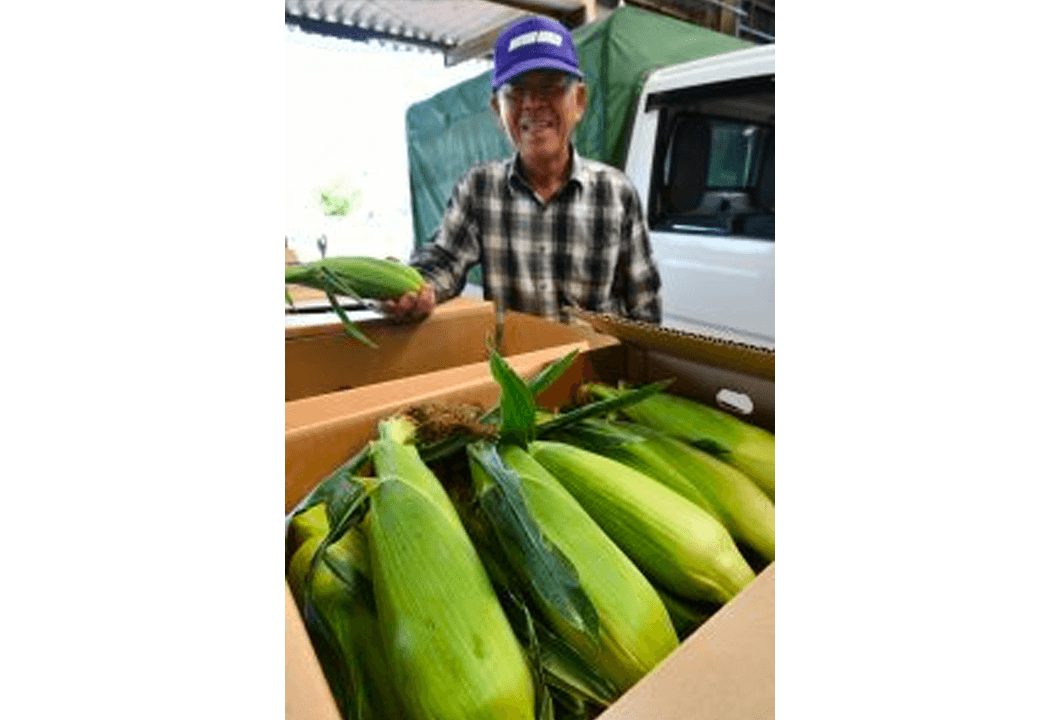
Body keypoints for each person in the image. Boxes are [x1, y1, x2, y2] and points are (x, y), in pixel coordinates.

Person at [385, 15, 661, 325]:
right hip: (514, 371)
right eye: (515, 91)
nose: (532, 103)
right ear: (497, 111)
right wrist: (412, 285)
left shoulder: (617, 193)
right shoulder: (479, 188)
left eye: (550, 86)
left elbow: (644, 306)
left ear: (579, 101)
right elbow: (444, 260)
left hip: (593, 369)